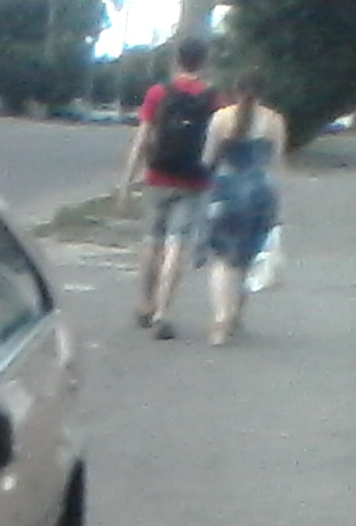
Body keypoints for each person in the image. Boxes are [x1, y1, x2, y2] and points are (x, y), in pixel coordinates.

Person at [116, 35, 217, 340]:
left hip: (158, 176)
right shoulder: (213, 97)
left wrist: (126, 180)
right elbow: (218, 139)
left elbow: (142, 138)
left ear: (177, 60)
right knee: (177, 244)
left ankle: (145, 305)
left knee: (152, 241)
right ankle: (164, 313)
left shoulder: (158, 93)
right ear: (204, 61)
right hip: (193, 179)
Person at [199, 74, 287, 345]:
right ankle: (236, 315)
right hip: (260, 192)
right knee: (248, 256)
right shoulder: (274, 121)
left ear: (235, 91)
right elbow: (277, 163)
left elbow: (208, 159)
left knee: (221, 258)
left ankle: (220, 319)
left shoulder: (221, 118)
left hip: (226, 190)